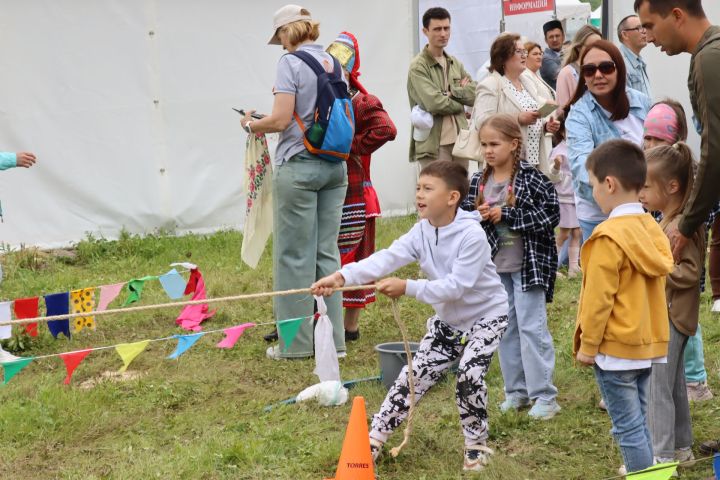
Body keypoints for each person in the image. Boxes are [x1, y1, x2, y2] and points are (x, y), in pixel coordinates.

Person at [311, 161, 509, 473]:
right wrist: (341, 276)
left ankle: (476, 445)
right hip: (448, 323)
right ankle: (374, 439)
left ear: (452, 197)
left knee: (469, 375)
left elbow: (456, 287)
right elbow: (387, 258)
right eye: (418, 187)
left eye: (428, 189)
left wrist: (408, 287)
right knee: (412, 377)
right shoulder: (422, 231)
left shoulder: (472, 236)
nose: (419, 194)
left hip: (487, 317)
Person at [239, 5, 347, 359]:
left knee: (293, 257)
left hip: (299, 165)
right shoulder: (335, 62)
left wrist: (252, 124)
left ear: (287, 33)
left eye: (280, 38)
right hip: (334, 166)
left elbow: (283, 119)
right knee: (326, 255)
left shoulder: (289, 63)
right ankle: (336, 343)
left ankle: (296, 346)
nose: (280, 45)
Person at [574, 139, 673, 475]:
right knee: (639, 420)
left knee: (627, 427)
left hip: (615, 350)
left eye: (593, 186)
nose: (594, 194)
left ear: (610, 184)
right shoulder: (652, 229)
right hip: (648, 345)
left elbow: (598, 300)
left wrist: (588, 346)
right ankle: (648, 471)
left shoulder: (606, 237)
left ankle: (643, 474)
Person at [461, 113, 561, 420]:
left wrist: (507, 216)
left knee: (532, 328)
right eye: (484, 145)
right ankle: (516, 392)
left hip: (529, 266)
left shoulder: (532, 178)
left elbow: (550, 216)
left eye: (495, 143)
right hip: (495, 267)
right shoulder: (479, 181)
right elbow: (466, 219)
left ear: (514, 144)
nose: (488, 150)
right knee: (505, 329)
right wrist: (476, 215)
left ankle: (544, 395)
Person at [635, 0, 720, 267]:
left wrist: (686, 223)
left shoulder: (709, 58)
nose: (648, 38)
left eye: (650, 25)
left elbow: (715, 148)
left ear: (677, 16)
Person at [326, 32, 397, 341]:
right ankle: (330, 322)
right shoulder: (330, 97)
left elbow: (387, 128)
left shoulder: (360, 99)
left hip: (358, 192)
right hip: (337, 190)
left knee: (355, 258)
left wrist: (350, 146)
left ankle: (349, 327)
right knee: (337, 256)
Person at [642, 100, 715, 402]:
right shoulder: (651, 173)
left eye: (658, 138)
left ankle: (695, 379)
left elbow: (708, 210)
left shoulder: (692, 177)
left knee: (688, 327)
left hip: (681, 274)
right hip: (665, 280)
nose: (650, 143)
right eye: (647, 137)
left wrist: (684, 226)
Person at [639, 143, 701, 467]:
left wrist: (657, 269)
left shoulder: (681, 228)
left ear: (672, 187)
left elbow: (690, 273)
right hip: (666, 316)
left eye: (646, 186)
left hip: (674, 317)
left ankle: (661, 458)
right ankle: (682, 448)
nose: (640, 192)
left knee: (657, 386)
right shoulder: (666, 220)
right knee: (673, 384)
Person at [566, 39, 651, 241]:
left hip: (642, 209)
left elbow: (659, 150)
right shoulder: (579, 114)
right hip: (599, 215)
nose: (598, 75)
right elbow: (581, 165)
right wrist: (627, 190)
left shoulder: (642, 102)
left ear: (619, 69)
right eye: (589, 70)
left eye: (606, 67)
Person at [473, 33, 560, 179]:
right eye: (518, 51)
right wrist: (518, 118)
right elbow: (482, 122)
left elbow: (532, 118)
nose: (524, 55)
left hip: (534, 164)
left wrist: (546, 126)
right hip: (507, 166)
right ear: (503, 56)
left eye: (524, 51)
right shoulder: (491, 84)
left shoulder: (526, 83)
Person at [408, 7, 476, 170]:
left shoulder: (454, 62)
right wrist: (460, 103)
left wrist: (452, 93)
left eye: (446, 28)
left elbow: (474, 93)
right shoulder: (418, 66)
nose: (443, 33)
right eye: (437, 29)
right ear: (425, 31)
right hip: (433, 143)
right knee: (438, 191)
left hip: (460, 140)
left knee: (461, 190)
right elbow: (434, 103)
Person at [549, 111, 581, 277]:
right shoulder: (558, 150)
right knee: (564, 233)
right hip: (564, 196)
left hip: (577, 196)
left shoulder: (580, 148)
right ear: (562, 131)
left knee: (577, 232)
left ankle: (573, 267)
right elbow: (552, 176)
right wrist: (556, 165)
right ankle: (551, 265)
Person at [556, 25, 602, 109]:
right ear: (579, 47)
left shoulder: (603, 69)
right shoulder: (567, 73)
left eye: (600, 45)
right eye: (591, 46)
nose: (597, 49)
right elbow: (562, 110)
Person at [617, 14, 652, 98]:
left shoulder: (638, 60)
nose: (644, 31)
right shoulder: (620, 63)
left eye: (644, 27)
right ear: (625, 35)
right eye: (638, 28)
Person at [540, 19, 565, 90]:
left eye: (557, 36)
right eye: (551, 37)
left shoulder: (564, 53)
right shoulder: (545, 59)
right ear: (545, 40)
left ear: (563, 37)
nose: (554, 39)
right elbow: (564, 76)